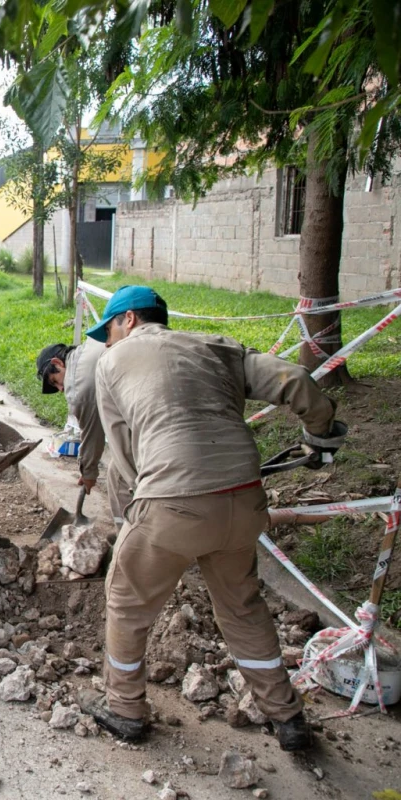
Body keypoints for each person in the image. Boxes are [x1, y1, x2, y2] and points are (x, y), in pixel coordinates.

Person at [82, 285, 345, 752]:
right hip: (244, 502)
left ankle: (124, 710)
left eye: (110, 330)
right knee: (243, 609)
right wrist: (320, 435)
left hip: (170, 502)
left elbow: (122, 450)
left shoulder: (111, 362)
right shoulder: (217, 347)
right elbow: (296, 379)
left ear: (130, 319)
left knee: (126, 602)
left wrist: (141, 505)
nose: (108, 340)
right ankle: (286, 717)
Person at [36, 338, 133, 525]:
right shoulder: (90, 348)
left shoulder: (78, 385)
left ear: (58, 363)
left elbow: (92, 433)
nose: (61, 388)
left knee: (121, 478)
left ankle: (128, 536)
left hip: (154, 422)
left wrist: (88, 473)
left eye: (56, 381)